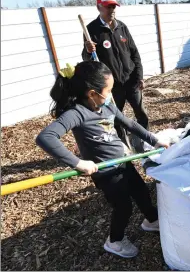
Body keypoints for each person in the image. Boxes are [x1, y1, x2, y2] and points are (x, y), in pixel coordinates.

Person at [36, 61, 169, 258]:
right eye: (108, 90)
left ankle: (151, 221)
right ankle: (114, 241)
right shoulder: (77, 113)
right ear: (92, 93)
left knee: (141, 192)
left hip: (123, 162)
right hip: (105, 172)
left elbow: (130, 124)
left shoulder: (107, 107)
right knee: (123, 207)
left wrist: (154, 140)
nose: (110, 94)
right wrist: (78, 162)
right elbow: (45, 137)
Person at [82, 0, 148, 150]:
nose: (112, 9)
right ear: (99, 7)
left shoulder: (122, 27)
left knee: (141, 113)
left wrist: (139, 76)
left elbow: (134, 53)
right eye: (108, 6)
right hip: (111, 86)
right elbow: (88, 60)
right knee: (115, 117)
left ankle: (143, 141)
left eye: (113, 6)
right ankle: (124, 146)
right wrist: (88, 50)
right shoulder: (92, 29)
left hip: (131, 80)